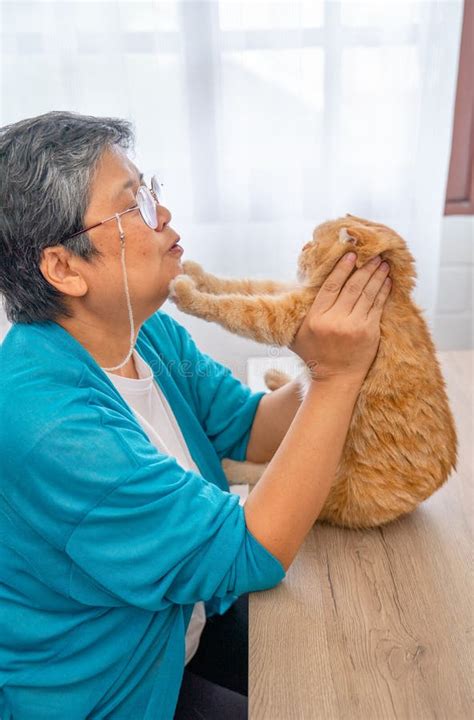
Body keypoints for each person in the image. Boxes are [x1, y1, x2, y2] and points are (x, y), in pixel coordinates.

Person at [0, 111, 391, 720]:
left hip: (183, 625)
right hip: (116, 693)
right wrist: (338, 377)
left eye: (151, 189)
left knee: (370, 664)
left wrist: (320, 359)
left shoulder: (142, 332)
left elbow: (251, 426)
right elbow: (250, 553)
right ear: (64, 268)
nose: (163, 215)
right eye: (134, 207)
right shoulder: (50, 426)